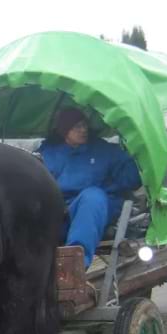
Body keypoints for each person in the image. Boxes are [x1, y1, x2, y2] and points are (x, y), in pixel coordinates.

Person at [38, 107, 142, 268]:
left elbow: (131, 179)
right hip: (62, 213)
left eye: (85, 125)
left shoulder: (103, 150)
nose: (83, 130)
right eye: (77, 127)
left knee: (92, 196)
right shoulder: (47, 154)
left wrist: (139, 155)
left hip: (97, 208)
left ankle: (75, 264)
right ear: (65, 130)